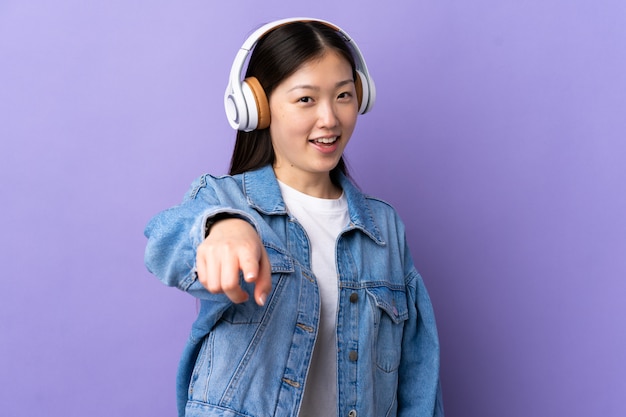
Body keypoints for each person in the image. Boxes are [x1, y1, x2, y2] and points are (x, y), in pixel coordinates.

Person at [144, 17, 444, 417]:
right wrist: (223, 228)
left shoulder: (385, 228)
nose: (330, 119)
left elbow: (418, 377)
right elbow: (166, 241)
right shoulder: (223, 199)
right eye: (306, 99)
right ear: (258, 109)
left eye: (343, 95)